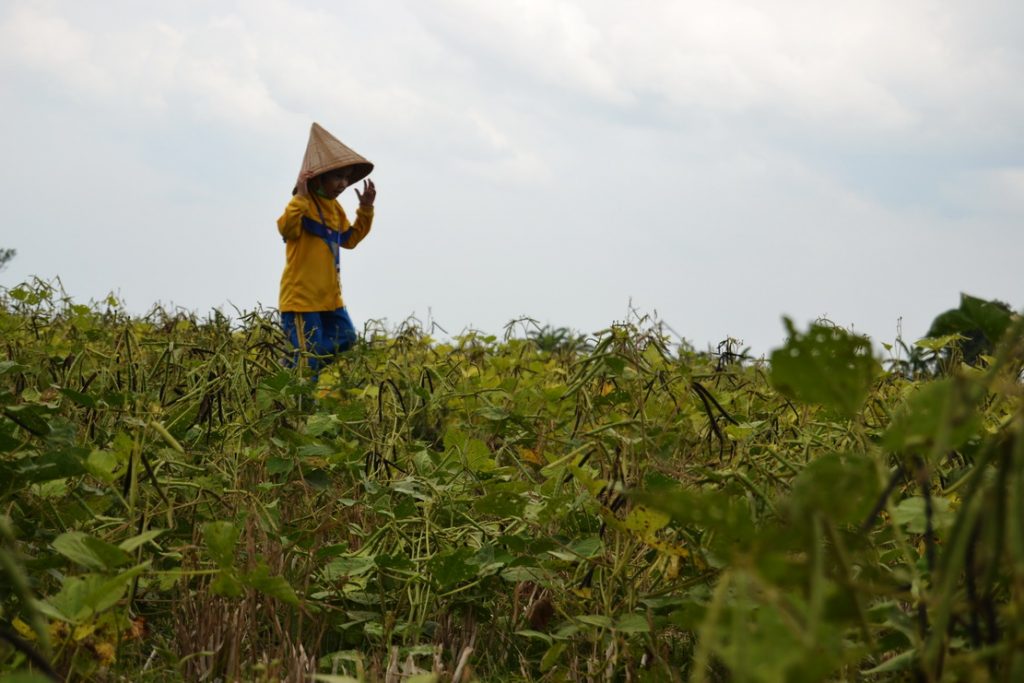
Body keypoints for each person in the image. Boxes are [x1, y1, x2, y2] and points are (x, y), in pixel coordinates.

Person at [277, 123, 377, 377]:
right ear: (317, 177)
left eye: (346, 177)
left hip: (330, 300)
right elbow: (286, 230)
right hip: (301, 302)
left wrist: (365, 209)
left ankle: (291, 369)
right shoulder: (302, 204)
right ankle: (298, 401)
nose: (343, 183)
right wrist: (300, 195)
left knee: (346, 339)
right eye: (337, 176)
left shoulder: (335, 209)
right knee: (308, 362)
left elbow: (349, 240)